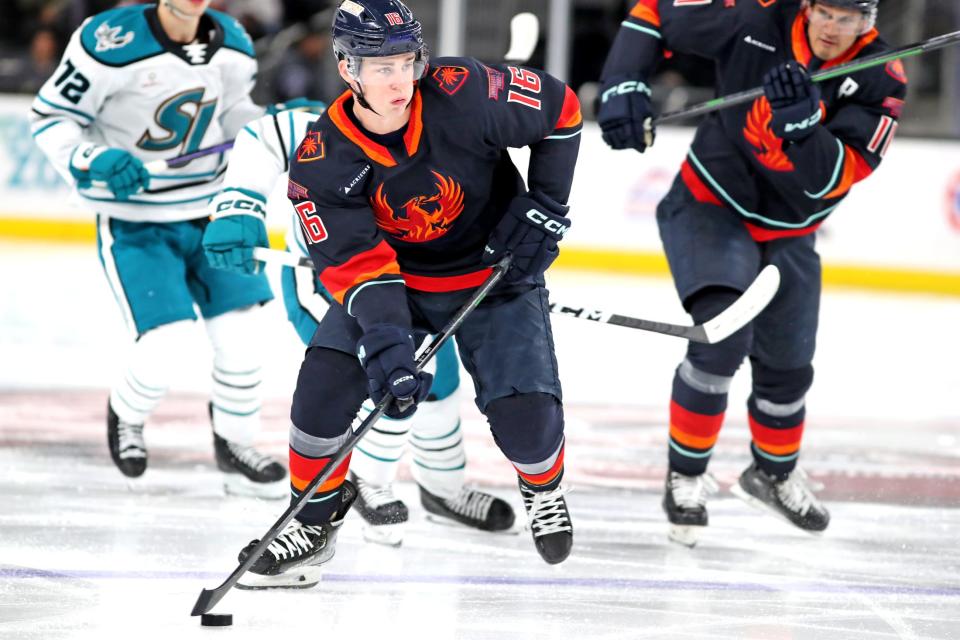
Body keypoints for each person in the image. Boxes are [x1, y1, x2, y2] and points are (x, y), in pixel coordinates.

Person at [205, 0, 582, 587]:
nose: (399, 79)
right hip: (399, 285)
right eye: (381, 67)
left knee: (528, 426)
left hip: (494, 275)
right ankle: (312, 521)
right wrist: (386, 345)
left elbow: (562, 110)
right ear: (347, 67)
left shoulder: (465, 91)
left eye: (406, 61)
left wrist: (546, 206)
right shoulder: (322, 159)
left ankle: (542, 485)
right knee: (323, 391)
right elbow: (361, 267)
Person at [597, 0, 906, 546]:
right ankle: (686, 476)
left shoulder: (882, 76)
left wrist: (805, 128)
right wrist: (623, 82)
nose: (833, 28)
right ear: (807, 6)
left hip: (791, 228)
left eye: (849, 18)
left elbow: (827, 183)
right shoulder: (756, 18)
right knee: (721, 338)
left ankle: (773, 472)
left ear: (870, 23)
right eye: (826, 12)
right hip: (709, 204)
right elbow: (652, 13)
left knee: (788, 368)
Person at [28, 0, 313, 497]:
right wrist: (95, 156)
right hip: (138, 219)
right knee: (167, 339)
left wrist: (270, 125)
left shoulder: (230, 39)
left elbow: (231, 117)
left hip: (211, 210)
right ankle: (128, 415)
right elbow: (51, 117)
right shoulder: (108, 41)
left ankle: (235, 442)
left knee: (243, 334)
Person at [202, 106, 516, 546]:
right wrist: (240, 206)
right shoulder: (321, 124)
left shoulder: (440, 124)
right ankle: (370, 478)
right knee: (383, 373)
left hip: (405, 287)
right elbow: (261, 136)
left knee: (439, 379)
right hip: (329, 287)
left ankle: (443, 490)